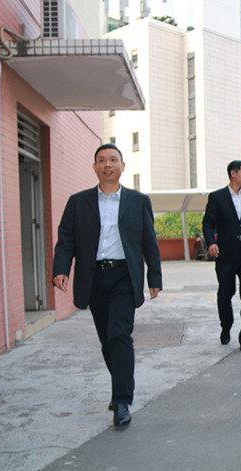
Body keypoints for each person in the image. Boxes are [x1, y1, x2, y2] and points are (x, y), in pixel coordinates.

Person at [52, 144, 162, 427]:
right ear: (95, 167)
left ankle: (122, 400)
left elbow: (149, 241)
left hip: (124, 276)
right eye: (101, 160)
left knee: (119, 335)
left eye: (113, 160)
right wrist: (61, 269)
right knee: (107, 340)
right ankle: (121, 384)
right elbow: (66, 239)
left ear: (122, 166)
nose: (107, 164)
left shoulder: (138, 201)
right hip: (94, 278)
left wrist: (154, 277)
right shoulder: (78, 202)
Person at [202, 161, 241, 354]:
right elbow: (208, 223)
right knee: (225, 295)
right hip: (225, 256)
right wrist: (211, 243)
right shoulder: (217, 197)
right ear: (233, 173)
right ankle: (226, 326)